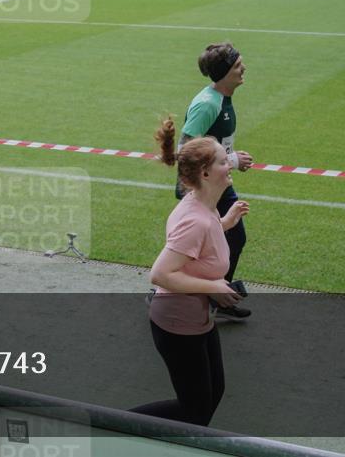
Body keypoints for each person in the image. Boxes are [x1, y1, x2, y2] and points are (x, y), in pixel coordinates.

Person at [130, 118, 249, 426]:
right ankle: (115, 425)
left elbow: (200, 243)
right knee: (194, 410)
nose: (230, 163)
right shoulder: (195, 219)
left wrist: (225, 223)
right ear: (205, 173)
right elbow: (160, 274)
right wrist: (214, 287)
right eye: (223, 161)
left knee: (212, 395)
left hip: (197, 320)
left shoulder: (204, 205)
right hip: (177, 326)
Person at [178, 42, 253, 321]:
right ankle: (187, 296)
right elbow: (185, 151)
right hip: (202, 187)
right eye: (237, 66)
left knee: (226, 239)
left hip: (217, 182)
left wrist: (230, 157)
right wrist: (231, 161)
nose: (243, 68)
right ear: (224, 73)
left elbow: (213, 142)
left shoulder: (222, 98)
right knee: (217, 240)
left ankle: (214, 297)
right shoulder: (207, 104)